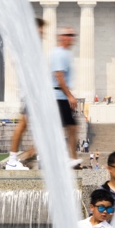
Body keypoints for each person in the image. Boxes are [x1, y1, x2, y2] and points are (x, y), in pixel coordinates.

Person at [6, 18, 45, 171]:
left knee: (31, 125)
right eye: (39, 30)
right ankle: (14, 159)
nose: (42, 33)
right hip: (30, 93)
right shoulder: (27, 47)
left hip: (32, 92)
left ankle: (25, 156)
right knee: (25, 125)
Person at [51, 27, 82, 169]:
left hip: (60, 96)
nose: (71, 38)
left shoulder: (65, 53)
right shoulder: (59, 54)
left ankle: (72, 159)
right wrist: (70, 96)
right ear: (61, 37)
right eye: (68, 35)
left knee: (71, 128)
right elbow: (59, 76)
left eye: (72, 35)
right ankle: (26, 156)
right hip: (58, 96)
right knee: (70, 128)